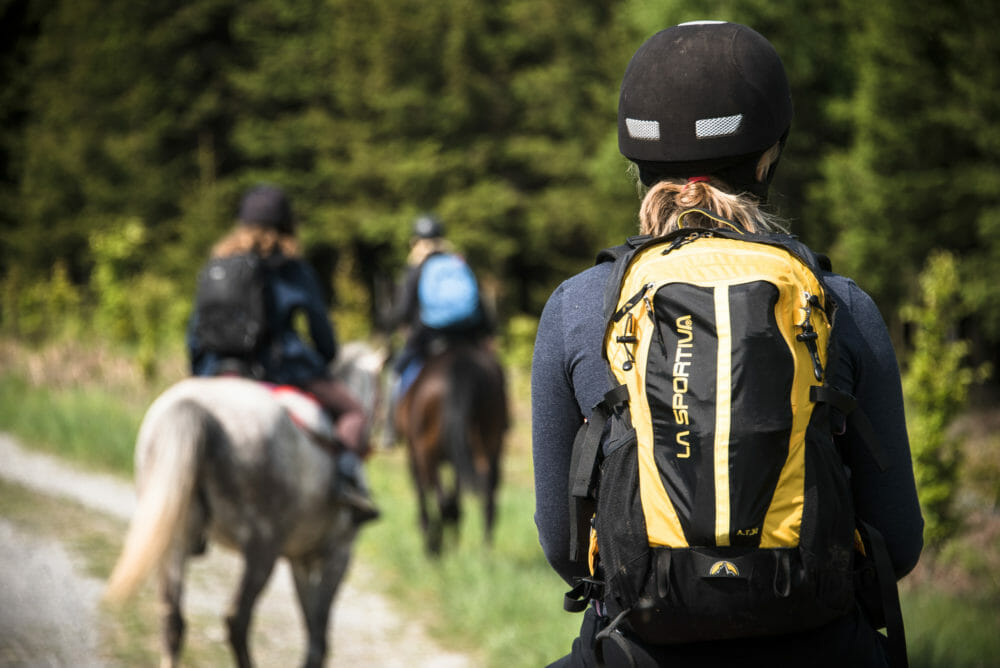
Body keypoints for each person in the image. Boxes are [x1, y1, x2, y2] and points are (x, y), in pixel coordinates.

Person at [531, 21, 924, 667]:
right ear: (769, 156)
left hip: (638, 648)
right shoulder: (841, 304)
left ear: (637, 161)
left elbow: (566, 550)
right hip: (822, 647)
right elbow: (899, 543)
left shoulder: (577, 307)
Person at [187, 184, 379, 525]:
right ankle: (346, 483)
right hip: (280, 370)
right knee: (354, 411)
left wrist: (202, 372)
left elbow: (195, 332)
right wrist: (322, 358)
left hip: (219, 369)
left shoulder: (217, 263)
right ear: (287, 225)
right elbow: (323, 337)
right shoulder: (292, 269)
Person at [385, 214, 495, 404]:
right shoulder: (459, 263)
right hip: (468, 336)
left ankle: (389, 431)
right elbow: (480, 304)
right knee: (494, 374)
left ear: (415, 242)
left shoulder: (416, 268)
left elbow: (404, 311)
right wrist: (488, 334)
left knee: (393, 378)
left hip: (427, 338)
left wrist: (390, 323)